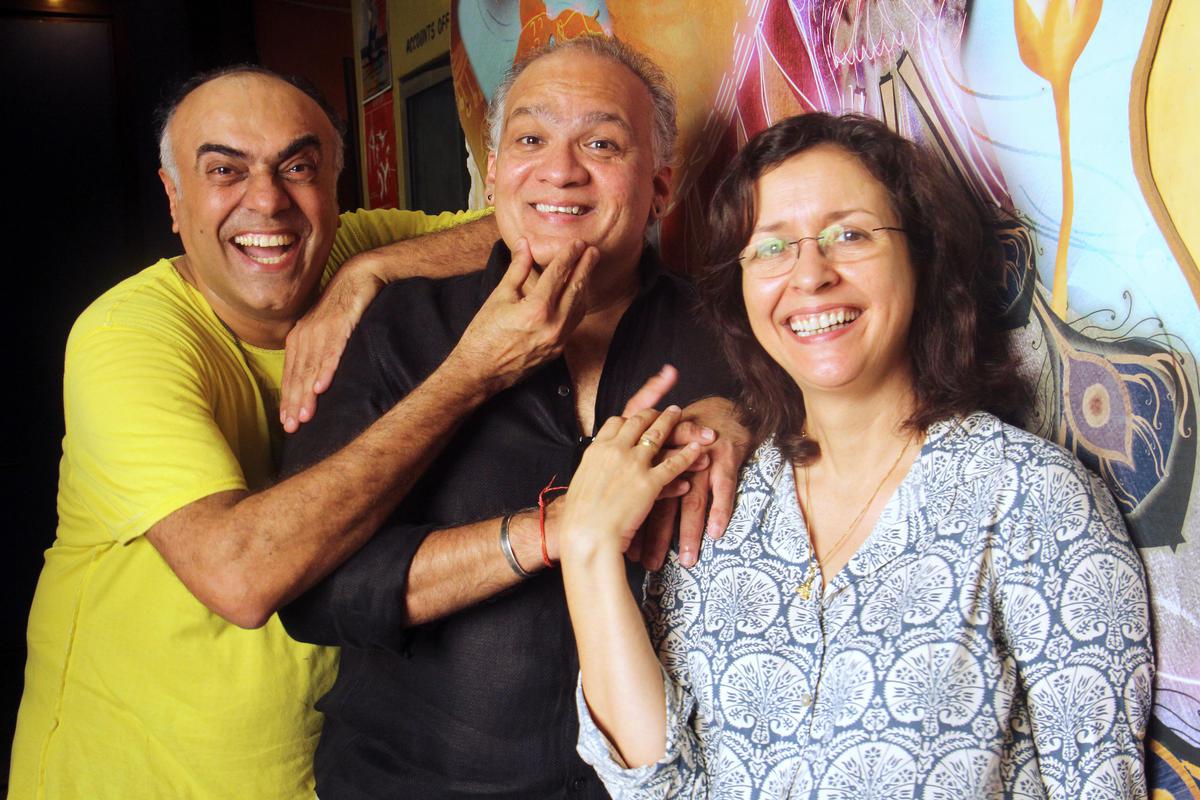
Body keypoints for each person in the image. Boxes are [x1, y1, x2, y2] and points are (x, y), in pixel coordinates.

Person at [8, 62, 589, 800]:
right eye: (226, 169)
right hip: (131, 777)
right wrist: (469, 376)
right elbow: (240, 575)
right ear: (174, 199)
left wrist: (369, 271)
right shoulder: (126, 337)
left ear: (335, 187)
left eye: (298, 166)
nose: (267, 201)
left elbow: (529, 221)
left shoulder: (347, 248)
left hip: (316, 774)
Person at [560, 112, 1155, 798]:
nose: (810, 275)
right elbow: (661, 786)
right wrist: (587, 551)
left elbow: (1100, 785)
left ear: (921, 256)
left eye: (850, 235)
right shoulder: (721, 502)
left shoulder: (1030, 499)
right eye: (771, 247)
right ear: (741, 290)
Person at [279, 36, 746, 799]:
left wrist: (743, 416)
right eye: (530, 139)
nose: (560, 169)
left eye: (601, 142)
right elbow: (319, 594)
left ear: (660, 187)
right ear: (494, 174)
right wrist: (553, 530)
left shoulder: (736, 336)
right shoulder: (395, 329)